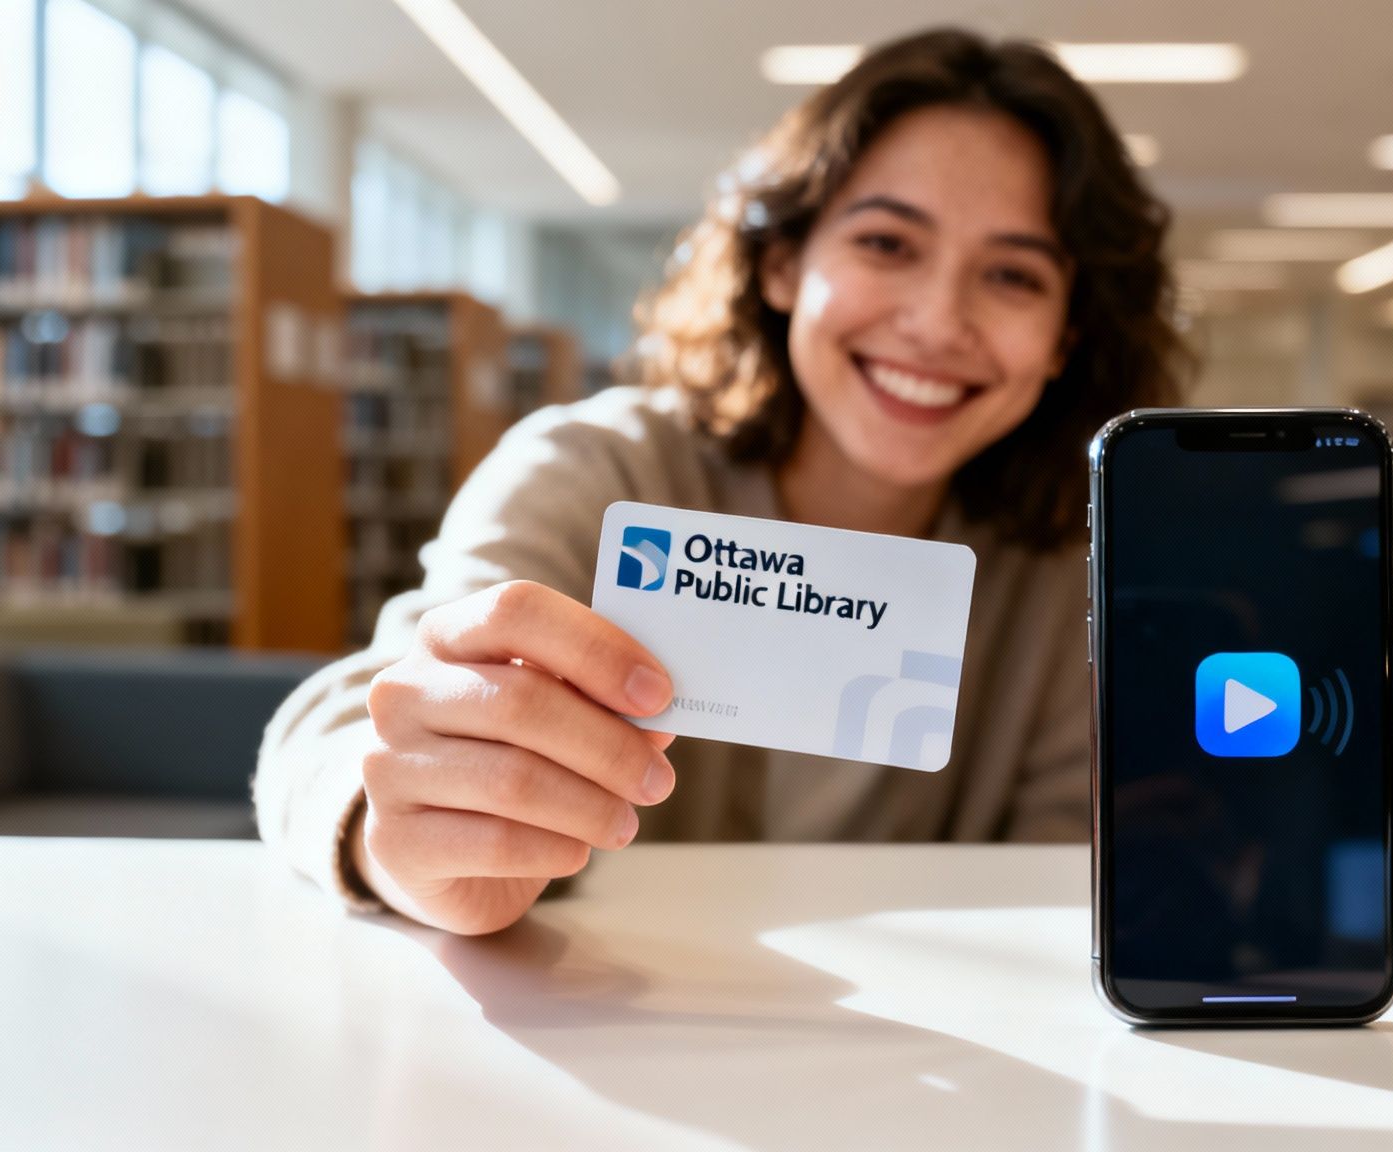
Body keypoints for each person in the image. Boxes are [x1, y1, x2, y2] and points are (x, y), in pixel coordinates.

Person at [255, 27, 1187, 935]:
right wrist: (403, 839)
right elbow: (354, 722)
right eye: (887, 245)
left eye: (1014, 276)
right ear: (782, 263)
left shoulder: (1075, 566)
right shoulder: (598, 471)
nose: (938, 321)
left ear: (1068, 336)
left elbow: (1067, 886)